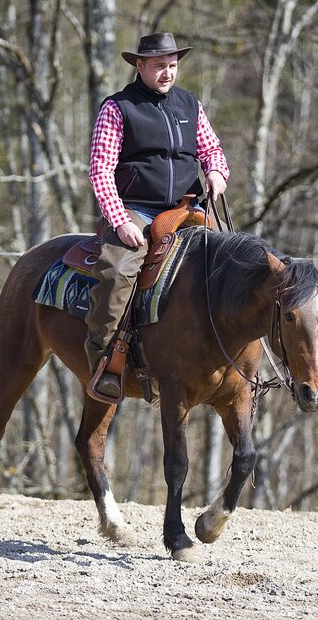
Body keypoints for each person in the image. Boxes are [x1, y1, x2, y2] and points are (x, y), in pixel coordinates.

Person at [85, 31, 230, 400]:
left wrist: (216, 172)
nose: (168, 73)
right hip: (136, 208)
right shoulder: (117, 108)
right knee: (118, 271)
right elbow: (101, 170)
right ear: (140, 66)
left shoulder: (189, 104)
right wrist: (119, 221)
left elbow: (211, 149)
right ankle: (105, 361)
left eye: (173, 65)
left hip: (187, 206)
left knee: (235, 260)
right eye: (160, 66)